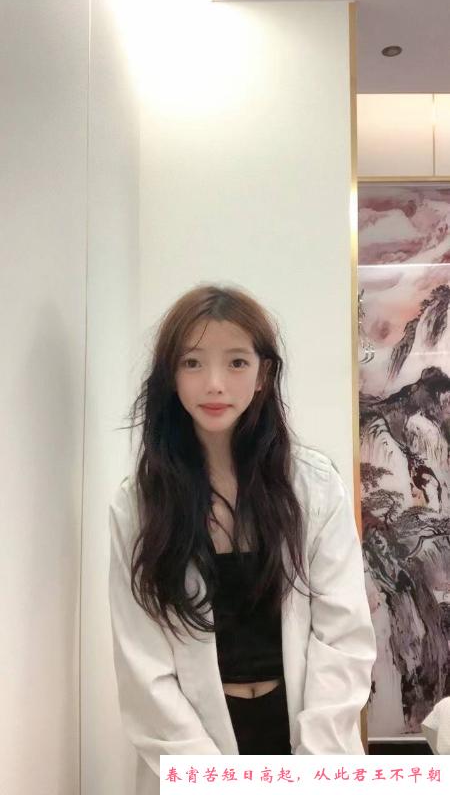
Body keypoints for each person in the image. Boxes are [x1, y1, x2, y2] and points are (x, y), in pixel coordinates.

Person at [108, 283, 377, 795]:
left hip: (306, 738)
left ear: (263, 374)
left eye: (236, 362)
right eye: (192, 363)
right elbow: (143, 667)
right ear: (170, 375)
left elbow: (342, 636)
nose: (214, 384)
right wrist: (214, 779)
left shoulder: (313, 486)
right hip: (197, 744)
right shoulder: (139, 505)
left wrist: (313, 766)